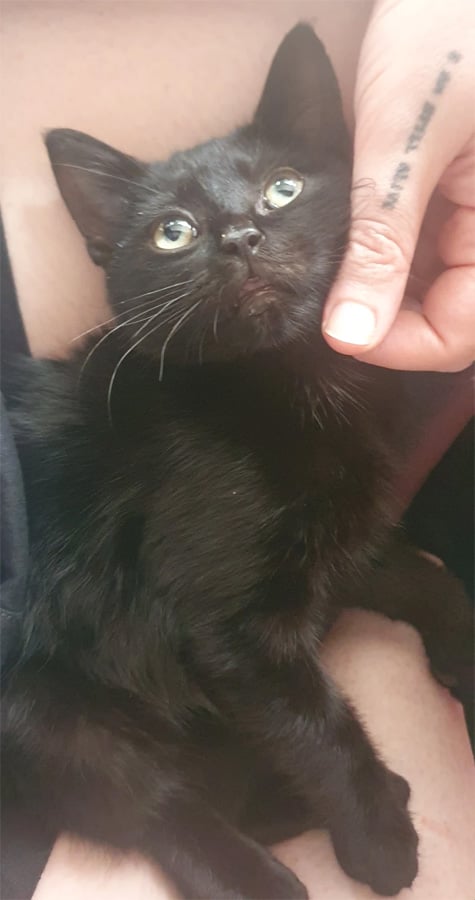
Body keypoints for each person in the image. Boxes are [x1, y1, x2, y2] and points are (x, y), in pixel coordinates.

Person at [1, 1, 474, 898]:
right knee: (67, 743)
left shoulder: (356, 388)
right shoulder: (181, 421)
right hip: (71, 679)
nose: (237, 232)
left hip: (179, 640)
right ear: (112, 254)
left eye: (281, 189)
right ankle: (188, 835)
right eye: (171, 230)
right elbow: (248, 637)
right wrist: (359, 794)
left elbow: (310, 564)